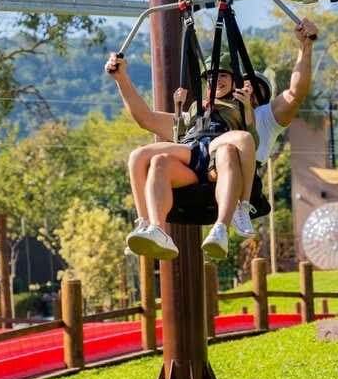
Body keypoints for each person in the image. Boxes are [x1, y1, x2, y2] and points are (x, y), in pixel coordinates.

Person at [106, 18, 318, 259]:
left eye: (253, 88)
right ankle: (152, 226)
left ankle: (228, 221)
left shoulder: (262, 117)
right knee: (156, 160)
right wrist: (121, 79)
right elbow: (146, 118)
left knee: (229, 149)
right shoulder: (201, 114)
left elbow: (295, 93)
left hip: (226, 172)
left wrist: (305, 47)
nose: (246, 90)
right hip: (192, 168)